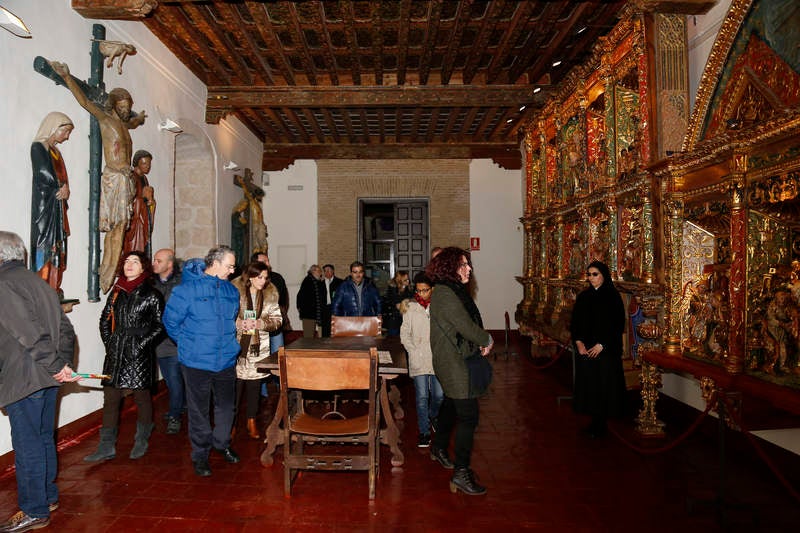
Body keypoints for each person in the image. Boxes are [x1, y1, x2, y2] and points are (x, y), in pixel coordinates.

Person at [0, 231, 80, 532]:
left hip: (25, 377)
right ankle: (46, 497)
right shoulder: (38, 282)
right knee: (44, 437)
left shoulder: (3, 284)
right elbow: (66, 329)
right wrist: (61, 365)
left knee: (28, 445)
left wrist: (57, 365)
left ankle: (33, 510)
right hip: (45, 377)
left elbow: (27, 332)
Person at [49, 60, 147, 293]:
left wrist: (139, 119)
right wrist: (67, 77)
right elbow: (84, 101)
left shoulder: (124, 125)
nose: (125, 110)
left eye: (128, 106)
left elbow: (132, 121)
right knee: (115, 226)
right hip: (114, 178)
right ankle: (107, 269)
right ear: (114, 104)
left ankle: (112, 268)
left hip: (125, 180)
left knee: (122, 227)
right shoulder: (106, 120)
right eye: (122, 106)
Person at [163, 245, 241, 476]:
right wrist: (189, 344)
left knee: (227, 407)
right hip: (196, 361)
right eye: (229, 266)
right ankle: (200, 454)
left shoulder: (231, 291)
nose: (232, 270)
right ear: (214, 264)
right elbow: (170, 323)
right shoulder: (186, 291)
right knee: (198, 410)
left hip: (226, 358)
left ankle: (221, 443)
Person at [84, 251, 165, 462]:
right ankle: (106, 446)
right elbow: (104, 320)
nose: (129, 264)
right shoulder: (116, 291)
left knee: (141, 396)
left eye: (135, 261)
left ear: (143, 268)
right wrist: (110, 342)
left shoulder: (152, 295)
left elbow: (159, 326)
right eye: (127, 261)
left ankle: (142, 438)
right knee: (110, 398)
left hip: (139, 351)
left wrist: (140, 345)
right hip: (116, 350)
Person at [426, 247, 493, 496]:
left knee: (451, 406)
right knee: (468, 416)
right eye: (463, 264)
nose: (469, 269)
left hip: (455, 357)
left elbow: (463, 325)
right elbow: (464, 325)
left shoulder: (451, 290)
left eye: (468, 264)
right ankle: (461, 472)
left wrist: (478, 341)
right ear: (449, 268)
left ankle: (438, 447)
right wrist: (486, 339)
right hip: (454, 362)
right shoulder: (445, 293)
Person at [569, 260, 627, 439]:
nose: (591, 278)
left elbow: (617, 324)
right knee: (589, 386)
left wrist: (602, 345)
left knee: (604, 386)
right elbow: (576, 322)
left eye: (595, 274)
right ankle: (594, 421)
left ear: (603, 275)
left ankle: (601, 423)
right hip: (586, 350)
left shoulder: (612, 296)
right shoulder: (584, 296)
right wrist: (578, 342)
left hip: (605, 351)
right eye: (589, 274)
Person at [232, 262, 282, 439]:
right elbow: (223, 315)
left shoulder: (270, 294)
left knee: (254, 385)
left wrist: (261, 323)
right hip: (236, 346)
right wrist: (237, 323)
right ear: (250, 276)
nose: (263, 281)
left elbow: (277, 320)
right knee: (235, 386)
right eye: (259, 277)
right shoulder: (234, 291)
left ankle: (251, 420)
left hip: (258, 346)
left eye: (265, 277)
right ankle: (231, 423)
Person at [30, 112, 74, 297]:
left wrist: (66, 190)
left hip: (57, 206)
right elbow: (43, 173)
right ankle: (41, 287)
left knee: (58, 245)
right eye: (65, 131)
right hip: (45, 207)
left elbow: (63, 178)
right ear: (54, 127)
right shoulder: (38, 147)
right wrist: (59, 187)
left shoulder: (56, 152)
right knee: (44, 243)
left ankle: (54, 286)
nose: (66, 136)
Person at [400, 272, 443, 448]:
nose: (422, 294)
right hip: (419, 357)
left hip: (437, 357)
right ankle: (424, 432)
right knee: (422, 396)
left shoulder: (439, 307)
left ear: (432, 289)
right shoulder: (410, 307)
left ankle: (433, 416)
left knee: (439, 395)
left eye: (425, 290)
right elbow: (405, 333)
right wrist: (413, 350)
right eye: (418, 291)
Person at [151, 248, 184, 435]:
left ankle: (175, 416)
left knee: (173, 381)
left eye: (159, 261)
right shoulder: (151, 283)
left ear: (170, 264)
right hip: (157, 340)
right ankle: (178, 407)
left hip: (173, 341)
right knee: (174, 379)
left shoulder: (180, 285)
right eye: (154, 260)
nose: (154, 263)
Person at [252, 252, 289, 354]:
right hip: (255, 325)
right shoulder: (248, 279)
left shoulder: (277, 278)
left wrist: (281, 314)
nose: (268, 264)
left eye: (268, 261)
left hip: (274, 324)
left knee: (277, 355)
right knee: (256, 356)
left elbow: (283, 299)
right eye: (264, 261)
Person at [122, 150, 155, 258]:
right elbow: (128, 200)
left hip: (142, 222)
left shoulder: (144, 179)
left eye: (149, 164)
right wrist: (143, 198)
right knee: (134, 250)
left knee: (143, 251)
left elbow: (147, 200)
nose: (148, 166)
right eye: (144, 163)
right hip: (134, 223)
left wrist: (150, 201)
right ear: (137, 163)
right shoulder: (132, 177)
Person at [296, 264, 326, 338]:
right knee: (308, 337)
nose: (321, 273)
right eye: (319, 271)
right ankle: (307, 349)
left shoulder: (316, 281)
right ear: (313, 271)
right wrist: (301, 309)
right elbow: (300, 297)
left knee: (315, 337)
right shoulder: (308, 281)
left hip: (315, 313)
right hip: (308, 314)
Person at [382, 270, 412, 336]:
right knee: (393, 341)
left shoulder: (408, 289)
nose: (408, 281)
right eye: (405, 280)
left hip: (406, 320)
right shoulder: (392, 289)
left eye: (408, 279)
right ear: (399, 281)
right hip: (393, 321)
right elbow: (392, 303)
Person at [321, 263, 343, 337]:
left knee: (336, 329)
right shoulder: (321, 284)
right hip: (325, 309)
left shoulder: (340, 282)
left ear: (333, 271)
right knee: (325, 331)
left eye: (329, 270)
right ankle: (325, 346)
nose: (327, 272)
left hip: (336, 309)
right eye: (325, 271)